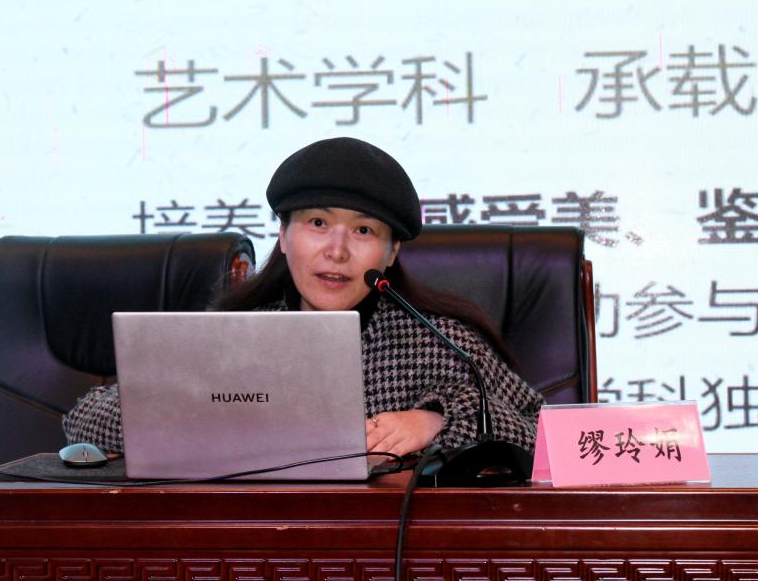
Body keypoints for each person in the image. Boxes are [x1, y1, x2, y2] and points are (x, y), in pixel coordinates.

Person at [63, 137, 543, 458]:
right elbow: (83, 420)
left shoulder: (440, 342)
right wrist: (192, 412)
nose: (337, 250)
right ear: (284, 235)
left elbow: (546, 437)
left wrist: (440, 421)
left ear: (392, 251)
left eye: (363, 230)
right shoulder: (231, 336)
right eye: (317, 223)